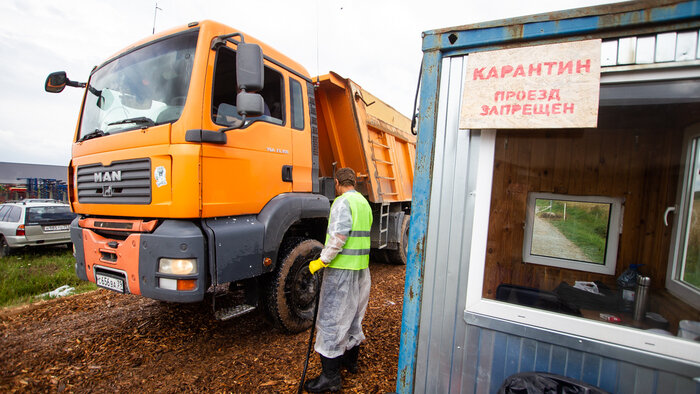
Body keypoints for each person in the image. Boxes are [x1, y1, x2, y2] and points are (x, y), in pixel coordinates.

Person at [304, 167, 373, 393]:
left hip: (342, 271)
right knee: (353, 316)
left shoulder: (342, 203)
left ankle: (330, 378)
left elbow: (339, 237)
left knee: (331, 320)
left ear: (337, 182)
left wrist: (322, 261)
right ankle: (350, 362)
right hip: (361, 270)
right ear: (354, 182)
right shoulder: (364, 203)